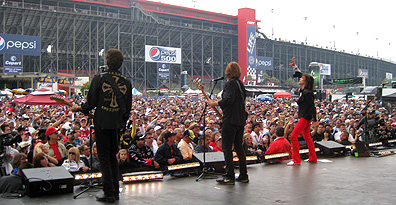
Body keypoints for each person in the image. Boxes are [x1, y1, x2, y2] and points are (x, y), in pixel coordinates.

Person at [71, 49, 132, 203]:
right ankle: (115, 191)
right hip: (117, 124)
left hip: (103, 123)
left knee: (104, 157)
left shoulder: (99, 78)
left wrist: (79, 108)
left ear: (107, 61)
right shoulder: (127, 81)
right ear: (121, 63)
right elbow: (128, 108)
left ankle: (109, 193)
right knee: (113, 156)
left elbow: (91, 103)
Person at [208, 62, 249, 184]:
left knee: (226, 147)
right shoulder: (240, 84)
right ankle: (243, 175)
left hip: (230, 120)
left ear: (228, 72)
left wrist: (214, 104)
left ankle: (229, 176)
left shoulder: (230, 84)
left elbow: (228, 100)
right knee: (239, 147)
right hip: (240, 119)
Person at [287, 60, 318, 165]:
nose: (300, 79)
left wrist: (315, 120)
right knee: (307, 137)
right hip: (305, 116)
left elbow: (312, 107)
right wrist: (295, 66)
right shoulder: (303, 90)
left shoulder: (307, 93)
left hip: (305, 117)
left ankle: (296, 159)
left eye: (302, 79)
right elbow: (300, 74)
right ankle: (313, 157)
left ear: (305, 82)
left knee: (293, 136)